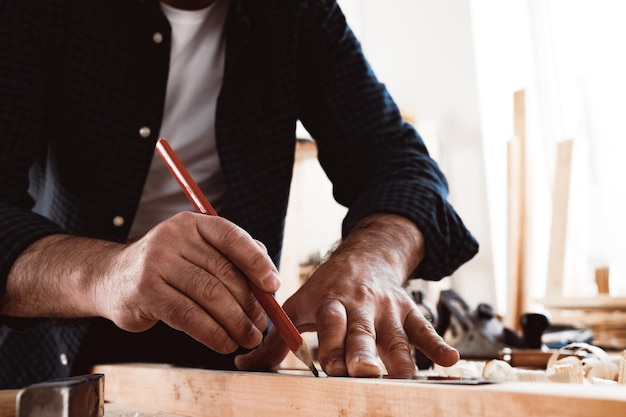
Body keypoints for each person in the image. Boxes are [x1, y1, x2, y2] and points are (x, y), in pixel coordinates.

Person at [0, 0, 478, 389]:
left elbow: (403, 169)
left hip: (234, 356)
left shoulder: (298, 13)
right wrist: (110, 273)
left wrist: (372, 260)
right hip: (53, 358)